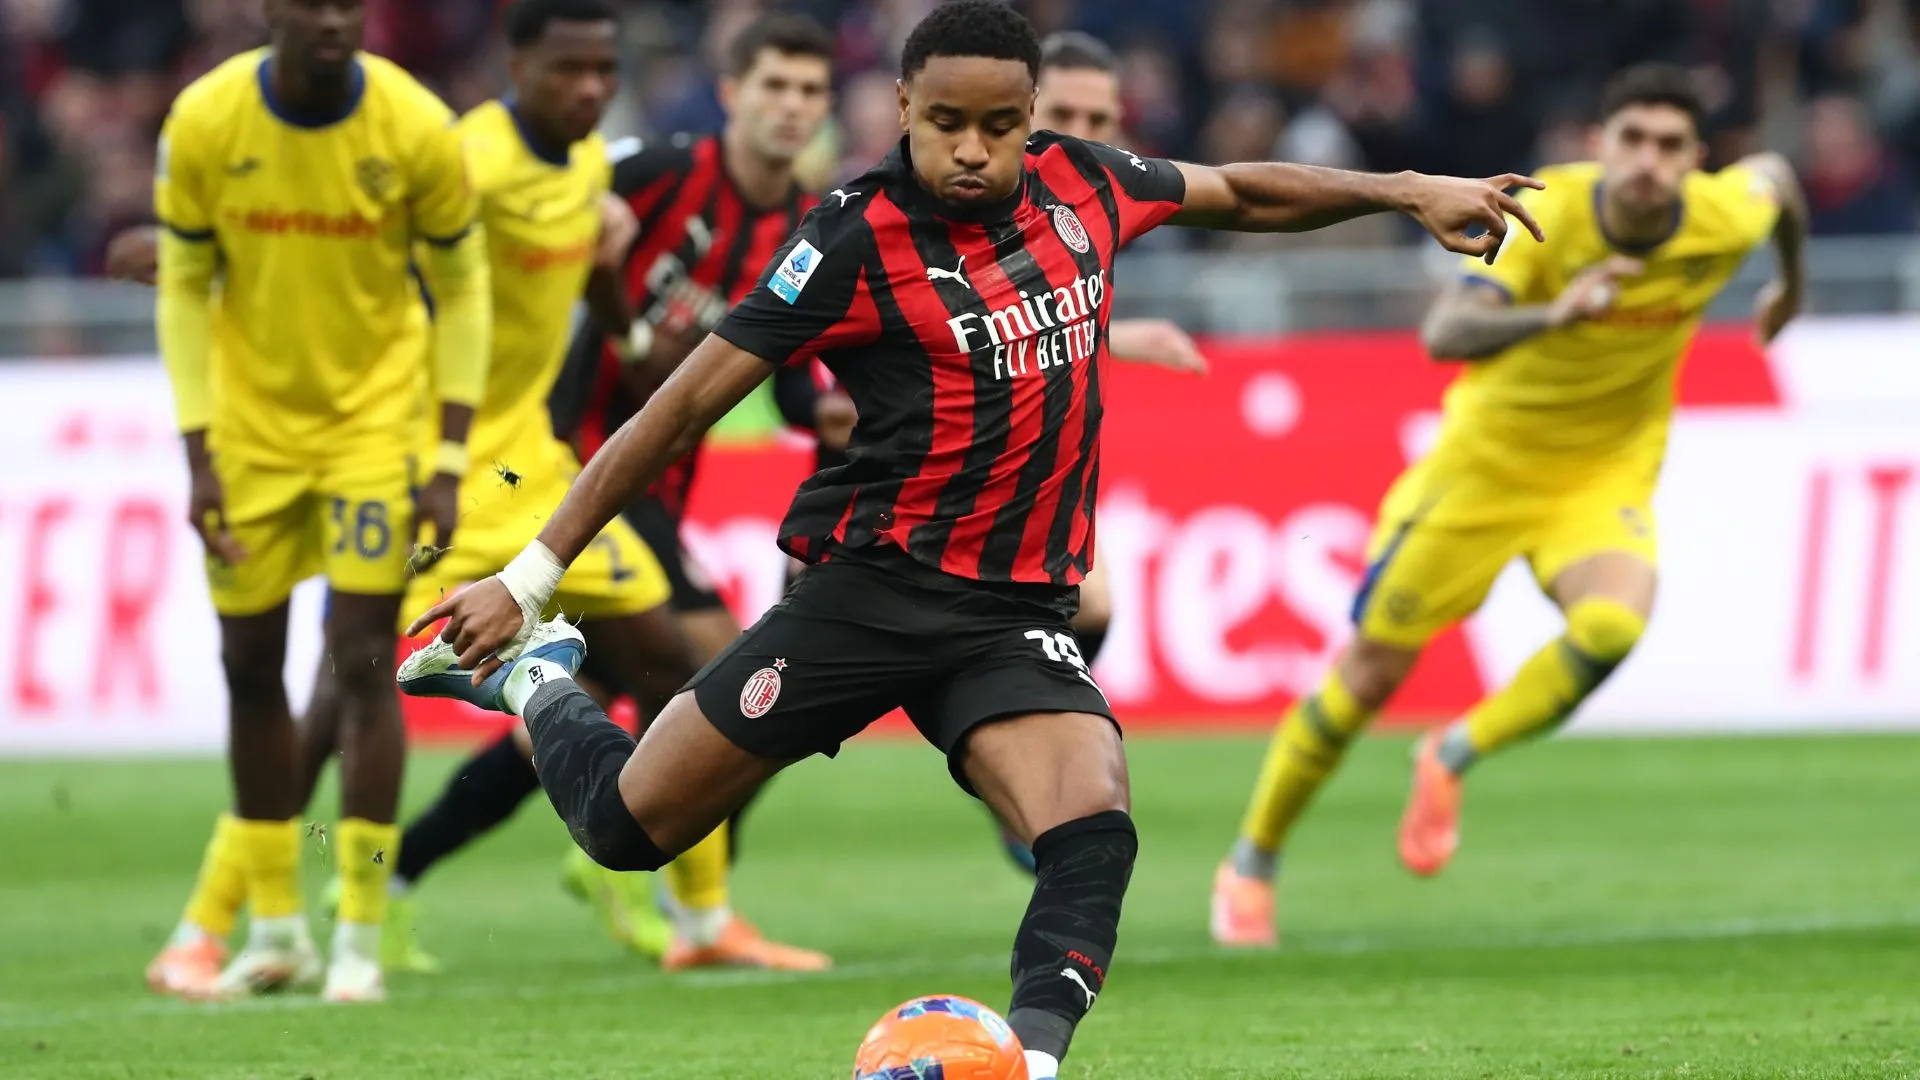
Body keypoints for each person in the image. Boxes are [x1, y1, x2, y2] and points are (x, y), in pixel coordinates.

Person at [401, 2, 1535, 1076]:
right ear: (901, 106)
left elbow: (1241, 188)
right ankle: (542, 682)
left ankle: (1031, 1057)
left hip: (1008, 615)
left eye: (1001, 124)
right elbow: (678, 407)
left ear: (1034, 115)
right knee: (621, 830)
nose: (974, 151)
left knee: (1092, 818)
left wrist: (1405, 190)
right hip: (865, 598)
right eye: (947, 123)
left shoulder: (1084, 185)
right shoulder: (847, 239)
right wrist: (530, 574)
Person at [1212, 62, 1807, 948]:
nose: (1649, 161)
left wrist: (1790, 284)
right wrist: (1556, 316)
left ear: (1695, 159)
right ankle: (1252, 861)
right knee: (1365, 683)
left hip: (1601, 476)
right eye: (1632, 140)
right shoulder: (1546, 216)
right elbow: (1444, 333)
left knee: (1612, 627)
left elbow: (1782, 183)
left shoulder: (1726, 213)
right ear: (1601, 146)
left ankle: (1453, 751)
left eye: (1670, 145)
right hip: (1480, 475)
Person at [143, 0, 492, 1003]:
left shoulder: (414, 124)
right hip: (248, 441)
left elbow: (463, 286)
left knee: (362, 660)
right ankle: (276, 927)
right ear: (269, 11)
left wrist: (450, 451)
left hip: (373, 432)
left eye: (352, 3)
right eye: (313, 3)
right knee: (248, 666)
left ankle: (359, 938)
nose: (336, 20)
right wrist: (198, 449)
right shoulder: (205, 123)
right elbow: (181, 283)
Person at [538, 11, 842, 965]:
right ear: (733, 93)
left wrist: (837, 416)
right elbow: (558, 198)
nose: (792, 108)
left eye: (810, 92)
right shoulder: (655, 173)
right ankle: (697, 915)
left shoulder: (806, 225)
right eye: (776, 87)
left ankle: (406, 872)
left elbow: (790, 380)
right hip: (574, 464)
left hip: (660, 490)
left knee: (614, 685)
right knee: (728, 675)